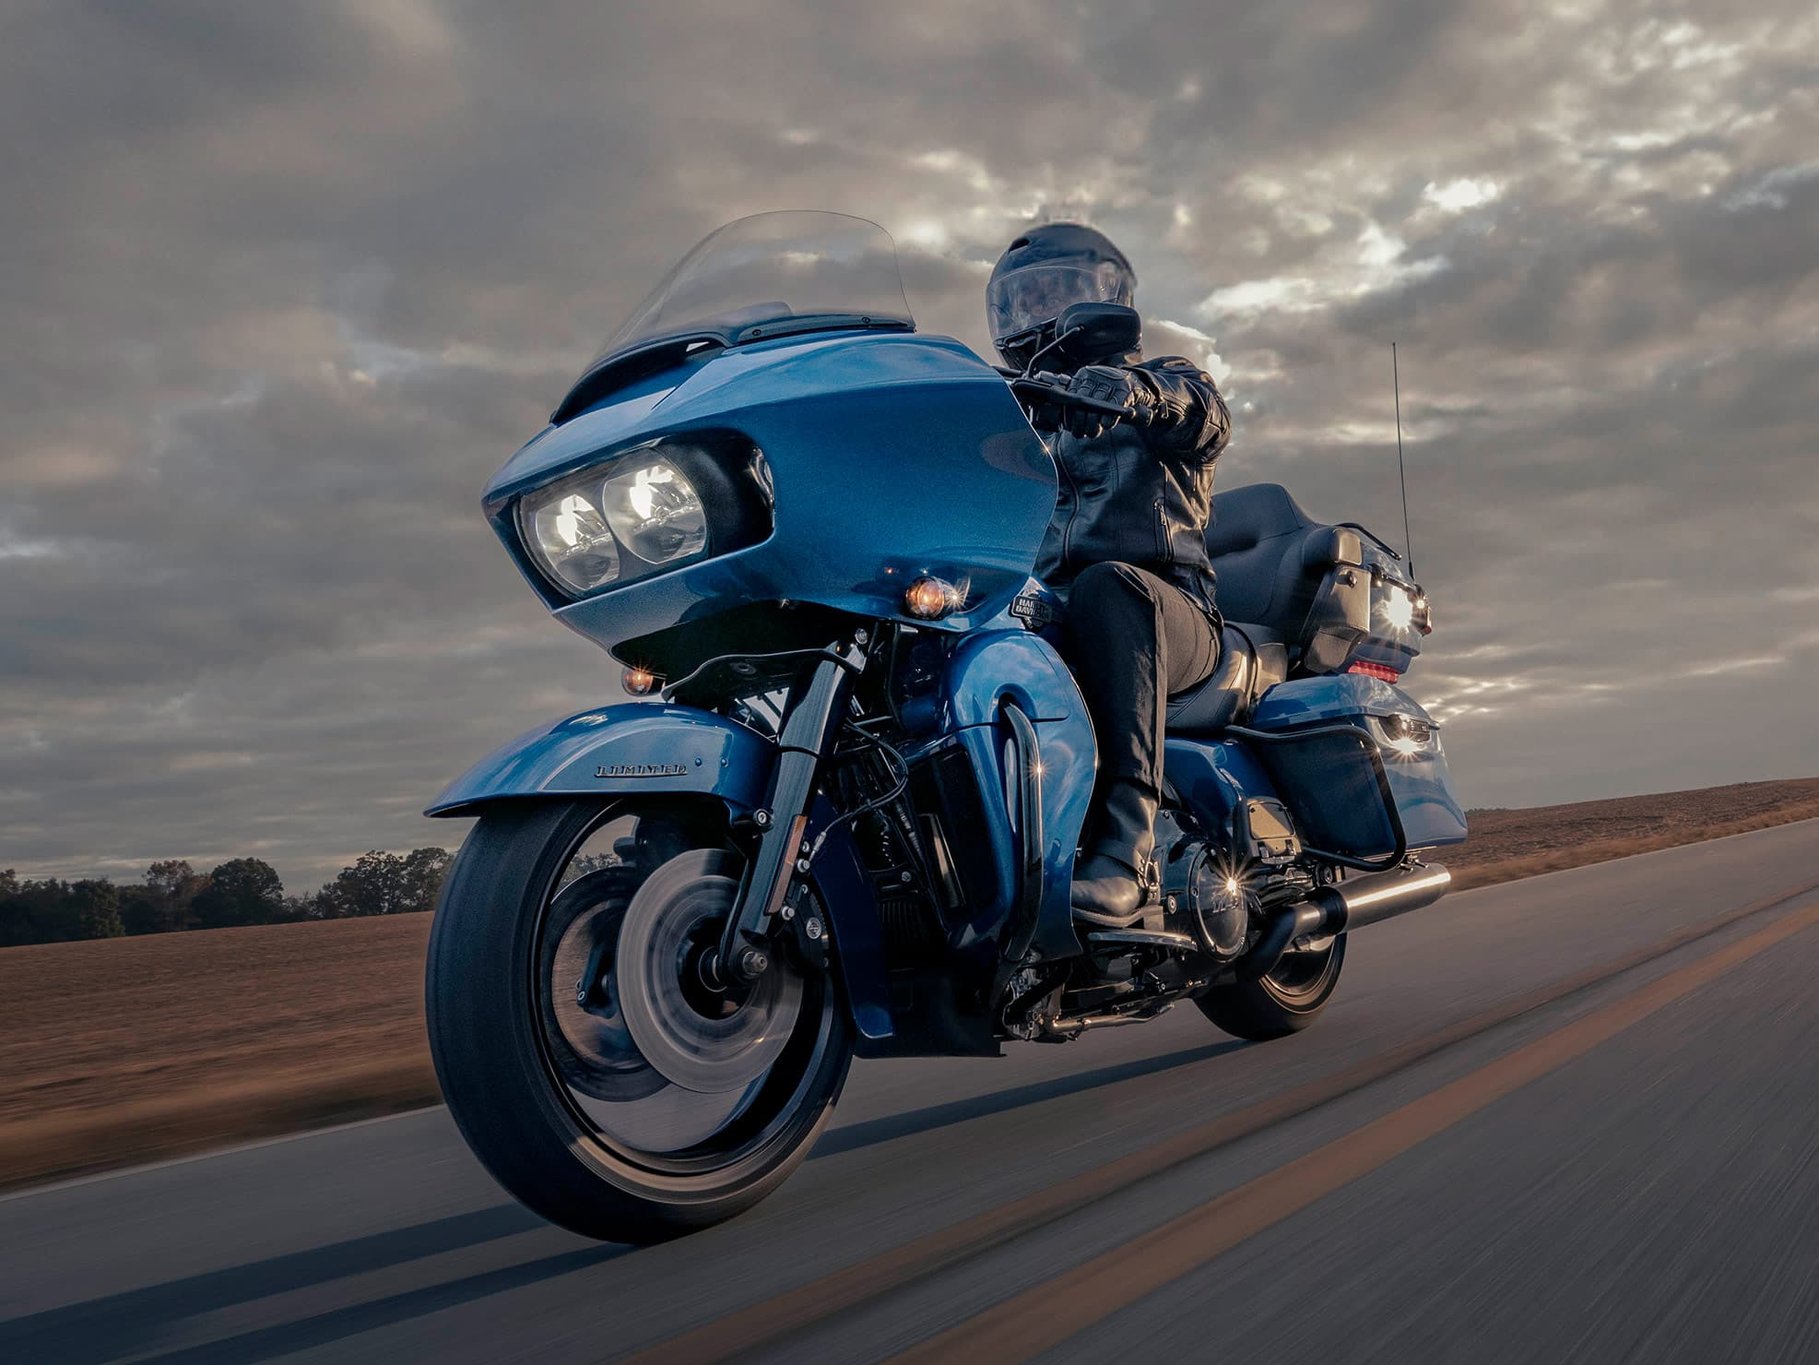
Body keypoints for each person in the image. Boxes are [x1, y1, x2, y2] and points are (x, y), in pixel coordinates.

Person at [987, 223, 1234, 926]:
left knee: (1106, 585)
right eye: (1022, 299)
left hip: (1171, 611)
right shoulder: (1019, 423)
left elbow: (1203, 417)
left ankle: (1127, 849)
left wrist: (1138, 393)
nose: (1038, 310)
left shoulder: (1171, 378)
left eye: (1056, 291)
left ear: (1103, 295)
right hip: (1055, 614)